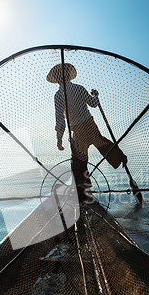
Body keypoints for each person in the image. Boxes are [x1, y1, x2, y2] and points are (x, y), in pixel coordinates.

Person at [47, 63, 127, 203]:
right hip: (89, 124)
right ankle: (119, 157)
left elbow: (60, 120)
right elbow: (93, 104)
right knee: (101, 142)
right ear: (68, 76)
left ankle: (83, 193)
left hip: (78, 129)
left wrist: (59, 139)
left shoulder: (58, 95)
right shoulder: (79, 88)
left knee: (79, 161)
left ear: (58, 80)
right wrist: (95, 95)